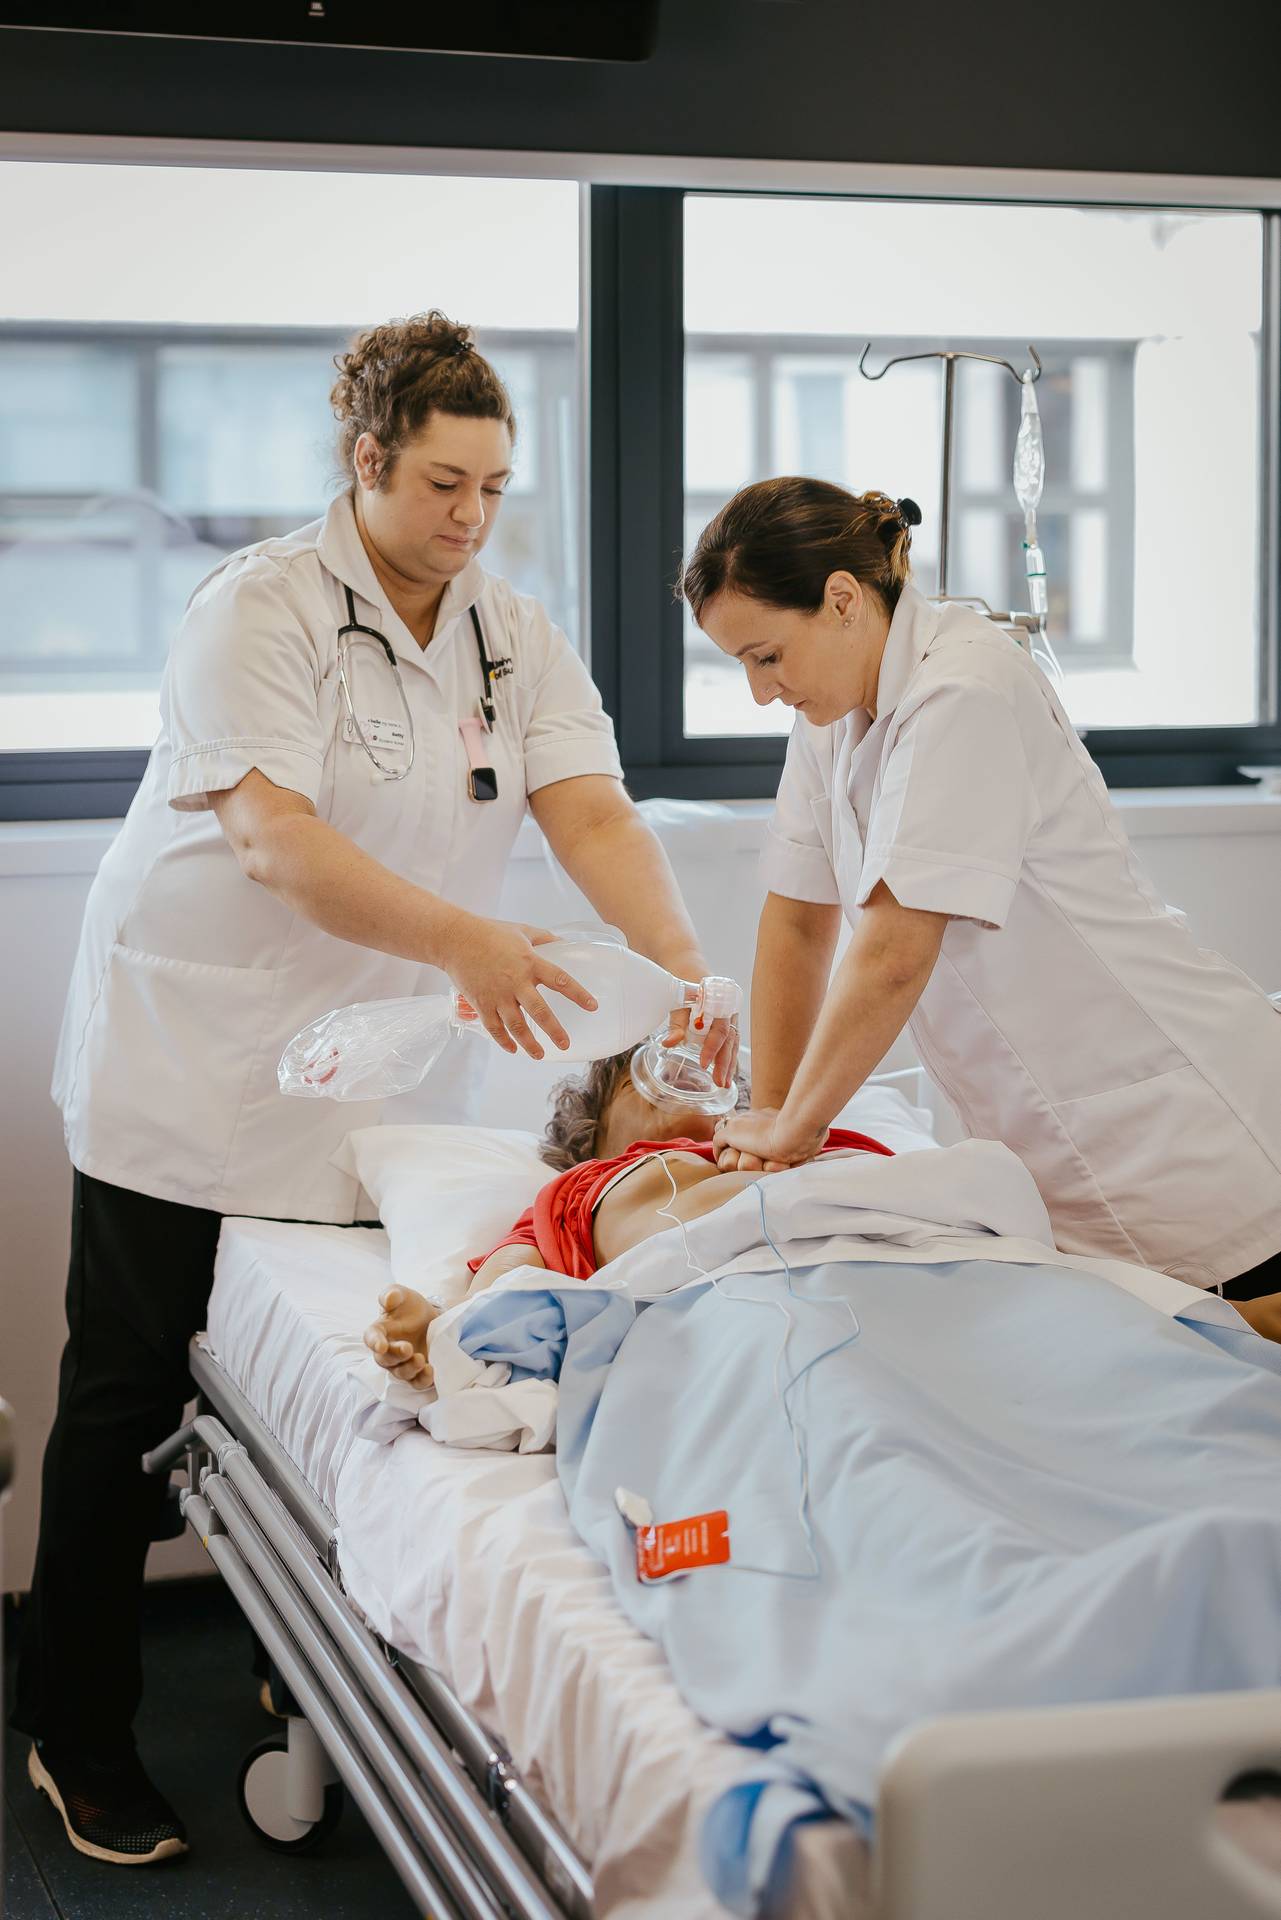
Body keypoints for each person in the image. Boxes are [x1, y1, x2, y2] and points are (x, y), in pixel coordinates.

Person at [14, 311, 732, 1866]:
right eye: (442, 482)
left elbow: (594, 816)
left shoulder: (509, 631)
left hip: (370, 1069)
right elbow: (276, 842)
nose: (472, 516)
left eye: (493, 486)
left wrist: (691, 988)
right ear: (366, 463)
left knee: (342, 1384)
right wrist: (475, 941)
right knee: (123, 1395)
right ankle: (76, 1735)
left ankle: (304, 1673)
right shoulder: (256, 608)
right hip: (192, 1055)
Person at [678, 476, 1281, 1341]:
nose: (760, 692)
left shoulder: (963, 690)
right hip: (1053, 1151)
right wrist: (772, 1116)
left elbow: (891, 950)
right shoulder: (830, 721)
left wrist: (794, 1131)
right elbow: (796, 917)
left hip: (1178, 1130)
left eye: (765, 656)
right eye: (741, 664)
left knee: (1241, 1382)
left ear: (841, 599)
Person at [363, 1050, 891, 1384]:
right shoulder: (577, 1190)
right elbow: (508, 1282)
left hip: (874, 1257)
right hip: (737, 1302)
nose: (682, 1061)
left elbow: (893, 1187)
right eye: (646, 1071)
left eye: (700, 1060)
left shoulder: (794, 1137)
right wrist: (442, 1327)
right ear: (597, 1135)